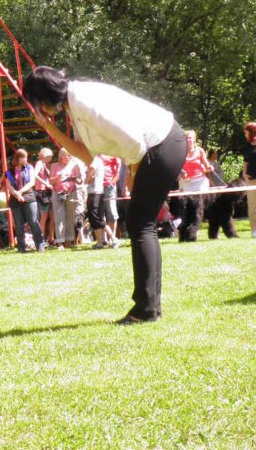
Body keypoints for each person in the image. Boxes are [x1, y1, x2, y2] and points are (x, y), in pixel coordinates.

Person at [24, 66, 186, 324]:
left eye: (35, 103)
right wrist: (48, 127)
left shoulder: (86, 102)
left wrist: (133, 172)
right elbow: (86, 155)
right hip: (156, 147)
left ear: (43, 97)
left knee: (140, 223)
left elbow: (134, 142)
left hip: (162, 144)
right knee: (140, 223)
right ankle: (150, 307)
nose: (37, 109)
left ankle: (146, 309)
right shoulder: (74, 105)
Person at [5, 149, 45, 253]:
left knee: (33, 222)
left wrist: (20, 192)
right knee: (18, 224)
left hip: (29, 197)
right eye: (23, 157)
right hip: (15, 199)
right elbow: (9, 186)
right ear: (17, 158)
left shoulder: (29, 168)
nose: (25, 159)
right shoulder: (10, 171)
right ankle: (21, 248)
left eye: (26, 157)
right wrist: (16, 194)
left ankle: (40, 245)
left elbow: (32, 182)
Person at [176, 130, 212, 241]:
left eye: (191, 138)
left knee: (198, 208)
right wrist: (181, 173)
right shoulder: (180, 151)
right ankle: (184, 232)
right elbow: (176, 166)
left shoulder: (200, 151)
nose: (189, 140)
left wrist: (209, 167)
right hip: (186, 183)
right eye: (187, 138)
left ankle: (194, 231)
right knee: (187, 209)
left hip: (200, 182)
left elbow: (206, 164)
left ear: (195, 139)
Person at [49, 148, 82, 250]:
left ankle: (69, 241)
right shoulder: (54, 166)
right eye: (66, 155)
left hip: (71, 192)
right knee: (59, 217)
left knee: (70, 217)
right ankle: (60, 243)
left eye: (69, 155)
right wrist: (58, 177)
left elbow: (80, 180)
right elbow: (51, 181)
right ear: (60, 156)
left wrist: (76, 179)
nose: (68, 157)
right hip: (58, 193)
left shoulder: (74, 165)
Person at [34, 148, 55, 245]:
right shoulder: (39, 163)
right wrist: (45, 183)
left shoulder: (45, 165)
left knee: (52, 216)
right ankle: (41, 240)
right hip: (42, 192)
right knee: (44, 217)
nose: (51, 159)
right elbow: (35, 174)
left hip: (49, 191)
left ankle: (51, 238)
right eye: (50, 156)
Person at [101, 155, 121, 243]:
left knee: (112, 213)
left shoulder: (112, 152)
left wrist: (113, 182)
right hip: (97, 186)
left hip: (109, 186)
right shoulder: (96, 151)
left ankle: (112, 239)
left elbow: (119, 168)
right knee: (100, 214)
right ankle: (103, 239)